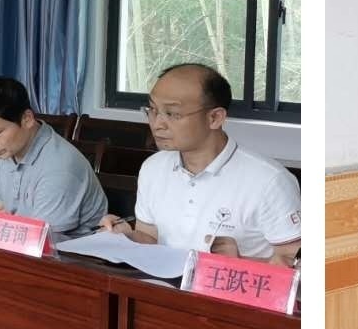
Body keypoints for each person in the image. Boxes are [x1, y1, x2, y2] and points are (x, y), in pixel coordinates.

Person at [99, 63, 302, 267]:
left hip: (227, 288)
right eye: (152, 110)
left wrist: (239, 263)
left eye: (172, 114)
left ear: (215, 118)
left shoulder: (270, 181)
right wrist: (124, 237)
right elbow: (150, 238)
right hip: (160, 285)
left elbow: (294, 263)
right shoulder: (153, 168)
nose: (157, 124)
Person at [0, 74, 106, 231]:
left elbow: (44, 238)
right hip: (20, 242)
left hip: (66, 245)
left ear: (27, 119)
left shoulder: (60, 166)